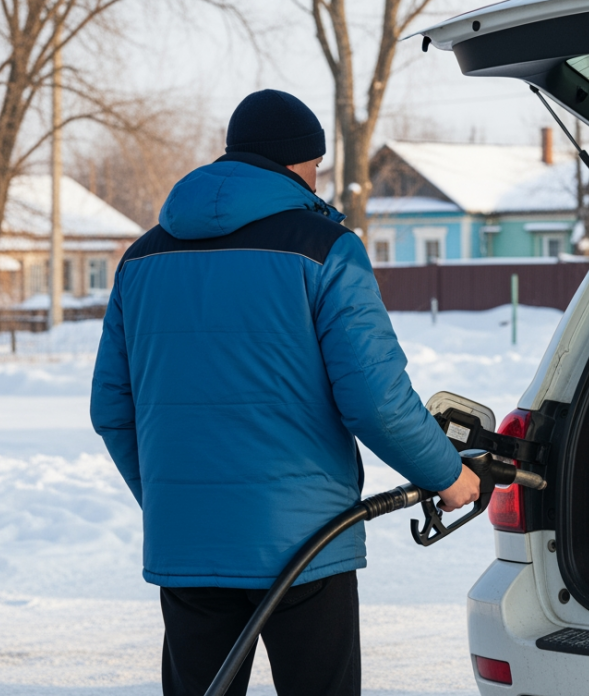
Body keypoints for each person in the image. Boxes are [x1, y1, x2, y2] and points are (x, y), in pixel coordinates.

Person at [90, 89, 481, 696]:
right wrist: (446, 473)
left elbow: (111, 408)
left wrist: (178, 502)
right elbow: (375, 397)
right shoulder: (326, 249)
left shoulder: (141, 258)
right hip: (302, 543)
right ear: (305, 164)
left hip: (190, 547)